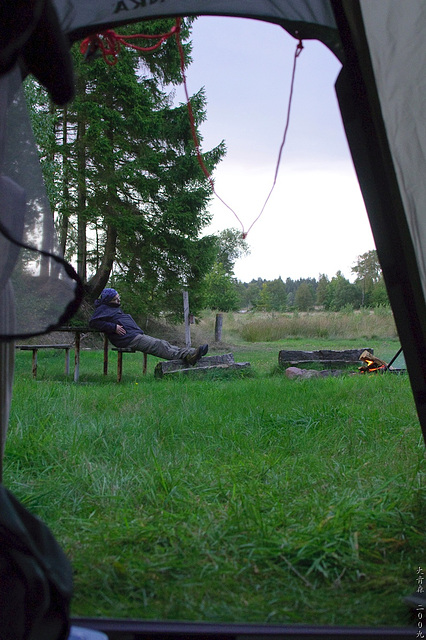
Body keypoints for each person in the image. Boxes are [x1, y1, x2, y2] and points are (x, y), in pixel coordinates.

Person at [89, 288, 208, 366]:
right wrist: (113, 327)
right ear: (109, 300)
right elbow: (93, 323)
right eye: (115, 299)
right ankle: (189, 356)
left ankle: (191, 353)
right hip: (128, 339)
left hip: (134, 336)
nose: (118, 300)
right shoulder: (103, 309)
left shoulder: (110, 308)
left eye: (118, 297)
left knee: (163, 343)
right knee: (159, 346)